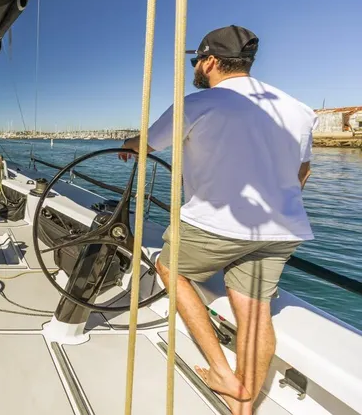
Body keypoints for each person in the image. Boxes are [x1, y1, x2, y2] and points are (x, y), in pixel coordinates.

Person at [121, 25, 315, 414]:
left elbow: (146, 144)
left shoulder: (197, 103)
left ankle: (223, 373)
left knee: (169, 268)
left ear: (210, 61)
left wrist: (129, 145)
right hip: (283, 230)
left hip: (215, 228)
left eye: (198, 60)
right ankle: (244, 399)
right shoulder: (299, 109)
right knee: (256, 311)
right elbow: (303, 172)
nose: (195, 66)